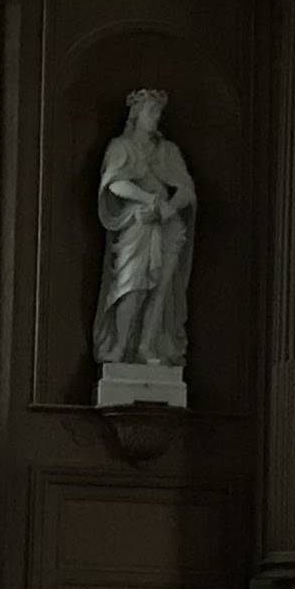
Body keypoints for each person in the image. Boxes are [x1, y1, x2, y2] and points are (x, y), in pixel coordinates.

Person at [93, 86, 198, 375]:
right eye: (152, 112)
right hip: (138, 224)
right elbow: (115, 182)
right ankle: (120, 346)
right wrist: (149, 200)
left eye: (158, 113)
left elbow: (186, 189)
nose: (156, 118)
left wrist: (169, 207)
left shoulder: (168, 151)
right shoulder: (122, 147)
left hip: (167, 225)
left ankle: (147, 346)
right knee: (132, 285)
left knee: (161, 289)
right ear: (137, 114)